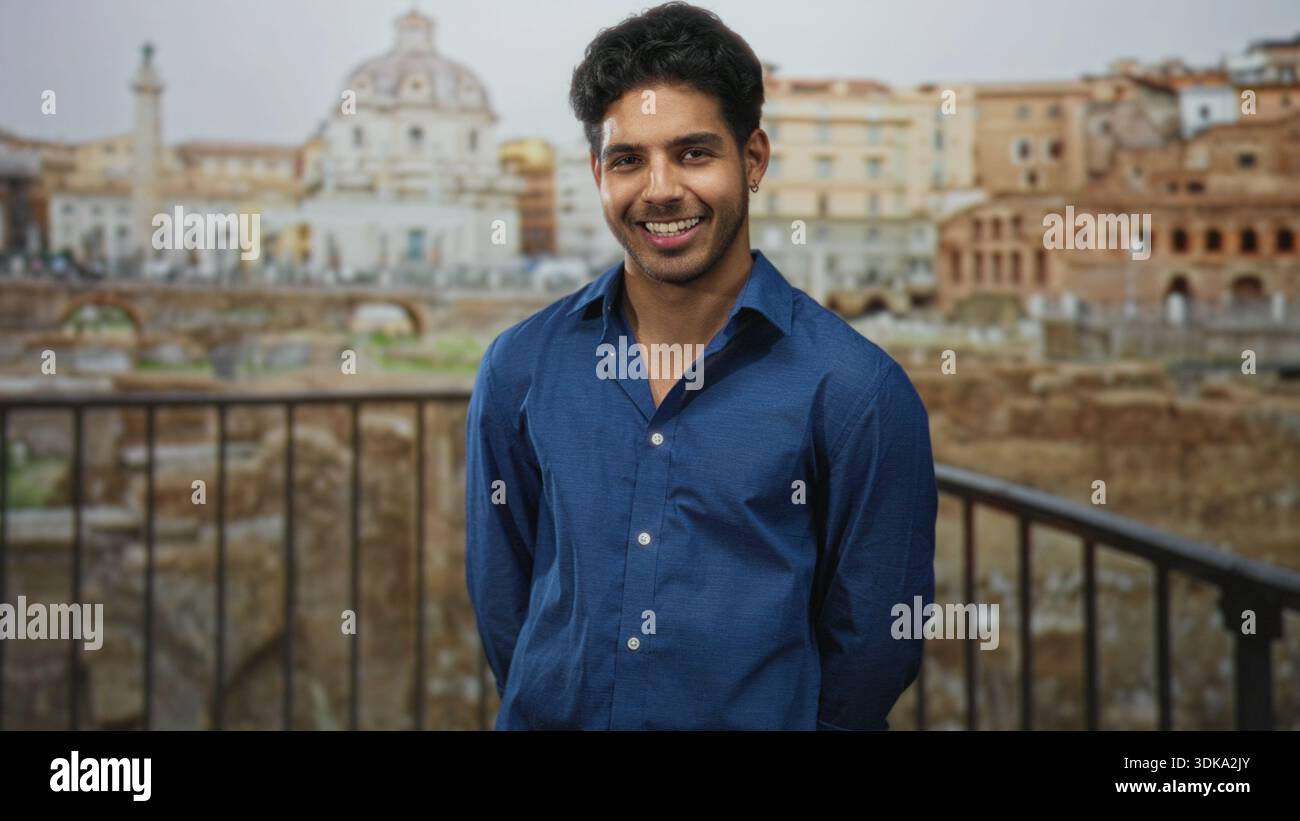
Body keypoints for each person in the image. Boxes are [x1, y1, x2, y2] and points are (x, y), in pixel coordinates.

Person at [466, 1, 936, 730]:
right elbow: (506, 604)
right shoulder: (521, 368)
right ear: (598, 172)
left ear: (752, 160)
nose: (659, 189)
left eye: (692, 152)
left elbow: (872, 649)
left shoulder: (857, 392)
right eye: (628, 159)